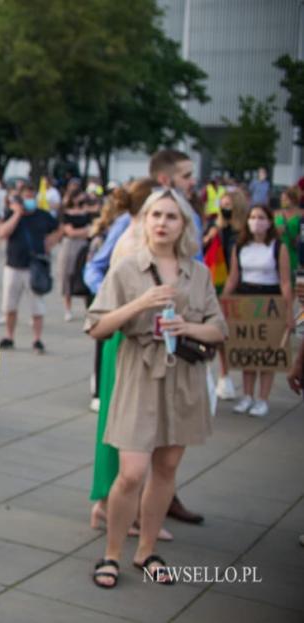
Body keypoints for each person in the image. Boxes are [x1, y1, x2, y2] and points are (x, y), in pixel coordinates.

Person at [86, 189, 227, 588]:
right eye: (156, 215)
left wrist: (187, 327)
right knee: (131, 472)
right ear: (145, 221)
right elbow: (97, 326)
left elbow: (219, 329)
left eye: (172, 216)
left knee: (166, 468)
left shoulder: (197, 273)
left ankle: (146, 551)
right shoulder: (127, 269)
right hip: (138, 376)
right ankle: (112, 553)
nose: (163, 223)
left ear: (184, 225)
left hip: (183, 378)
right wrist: (140, 304)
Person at [222, 205, 293, 417]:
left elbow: (285, 282)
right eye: (253, 217)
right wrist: (223, 301)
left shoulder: (278, 247)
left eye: (261, 217)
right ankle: (247, 395)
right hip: (246, 300)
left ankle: (262, 398)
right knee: (248, 351)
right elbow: (234, 276)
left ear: (270, 222)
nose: (256, 221)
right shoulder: (240, 246)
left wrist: (288, 311)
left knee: (268, 352)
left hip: (270, 301)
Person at [0, 183, 59, 352]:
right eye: (27, 197)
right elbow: (2, 232)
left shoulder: (43, 216)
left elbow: (58, 229)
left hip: (34, 267)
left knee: (37, 306)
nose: (30, 200)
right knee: (9, 305)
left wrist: (52, 241)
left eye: (32, 196)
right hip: (13, 265)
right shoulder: (12, 213)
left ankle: (37, 339)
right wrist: (17, 213)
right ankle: (9, 336)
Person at [210, 190, 248, 400]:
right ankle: (224, 376)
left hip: (241, 287)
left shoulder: (243, 233)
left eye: (228, 205)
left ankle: (242, 380)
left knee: (240, 334)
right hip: (218, 284)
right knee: (221, 332)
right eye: (222, 204)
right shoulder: (217, 229)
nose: (224, 209)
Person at [57, 192, 92, 321]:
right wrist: (84, 231)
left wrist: (80, 232)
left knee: (84, 276)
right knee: (67, 276)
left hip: (83, 247)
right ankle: (68, 308)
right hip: (69, 247)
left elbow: (91, 231)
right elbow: (70, 232)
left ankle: (88, 308)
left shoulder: (86, 213)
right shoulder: (66, 213)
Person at [274, 185, 302, 278]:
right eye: (282, 199)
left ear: (293, 200)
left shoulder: (301, 215)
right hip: (279, 250)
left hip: (295, 252)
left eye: (285, 199)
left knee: (296, 280)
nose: (283, 201)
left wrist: (298, 238)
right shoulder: (277, 214)